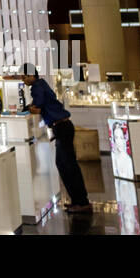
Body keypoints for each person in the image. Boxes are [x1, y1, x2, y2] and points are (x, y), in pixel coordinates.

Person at [20, 62, 90, 214]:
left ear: (32, 75)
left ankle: (82, 202)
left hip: (62, 128)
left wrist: (29, 108)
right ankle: (78, 200)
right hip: (63, 127)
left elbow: (37, 108)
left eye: (25, 77)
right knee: (66, 165)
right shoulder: (42, 83)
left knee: (67, 166)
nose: (24, 80)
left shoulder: (37, 87)